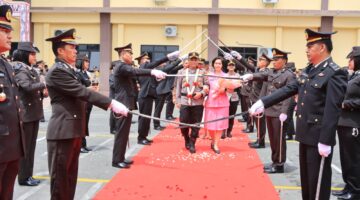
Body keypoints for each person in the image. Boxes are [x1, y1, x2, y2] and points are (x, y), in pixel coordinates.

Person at [248, 29, 347, 199]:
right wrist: (264, 102)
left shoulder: (334, 72)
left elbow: (332, 109)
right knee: (307, 181)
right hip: (305, 134)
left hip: (318, 138)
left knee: (318, 183)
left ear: (322, 47)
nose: (307, 50)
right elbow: (290, 89)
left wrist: (326, 140)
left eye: (310, 46)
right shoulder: (310, 69)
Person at [45, 28, 128, 200]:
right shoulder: (58, 71)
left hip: (73, 129)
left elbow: (81, 91)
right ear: (60, 50)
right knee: (60, 181)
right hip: (63, 132)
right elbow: (80, 92)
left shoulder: (69, 69)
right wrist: (111, 103)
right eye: (72, 47)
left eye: (76, 47)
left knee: (69, 178)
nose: (76, 51)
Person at [112, 43, 170, 168]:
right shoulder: (121, 66)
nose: (132, 56)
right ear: (123, 54)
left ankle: (121, 157)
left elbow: (138, 72)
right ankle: (117, 160)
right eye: (130, 53)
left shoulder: (125, 66)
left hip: (127, 103)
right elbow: (136, 71)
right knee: (121, 134)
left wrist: (154, 70)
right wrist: (152, 72)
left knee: (124, 133)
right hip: (122, 103)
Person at [0, 5, 27, 199]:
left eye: (10, 31)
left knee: (7, 193)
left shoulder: (6, 65)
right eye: (4, 31)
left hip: (11, 146)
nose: (10, 36)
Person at [12, 42, 45, 187]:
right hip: (26, 114)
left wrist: (42, 92)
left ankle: (28, 175)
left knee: (31, 148)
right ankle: (24, 177)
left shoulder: (29, 69)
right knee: (26, 149)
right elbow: (26, 87)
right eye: (32, 54)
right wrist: (44, 84)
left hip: (33, 113)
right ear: (24, 55)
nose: (34, 57)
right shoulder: (20, 69)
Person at [333, 46, 360, 200]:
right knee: (345, 157)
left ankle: (356, 190)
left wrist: (347, 104)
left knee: (354, 158)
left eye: (351, 59)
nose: (349, 62)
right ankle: (348, 185)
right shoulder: (352, 75)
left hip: (354, 122)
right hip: (344, 122)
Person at [230, 51, 272, 148]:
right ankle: (258, 139)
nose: (259, 61)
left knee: (260, 123)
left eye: (261, 60)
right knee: (257, 122)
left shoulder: (267, 72)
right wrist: (239, 57)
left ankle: (261, 142)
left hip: (260, 101)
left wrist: (251, 76)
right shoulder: (258, 69)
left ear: (266, 62)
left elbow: (258, 76)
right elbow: (248, 66)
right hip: (254, 98)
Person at [136, 51, 179, 145]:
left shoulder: (147, 70)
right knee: (144, 118)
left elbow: (165, 70)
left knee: (147, 118)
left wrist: (179, 61)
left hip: (149, 95)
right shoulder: (143, 67)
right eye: (145, 59)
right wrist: (168, 57)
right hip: (144, 96)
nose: (148, 61)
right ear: (140, 61)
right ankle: (141, 138)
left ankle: (144, 136)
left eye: (148, 59)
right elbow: (156, 63)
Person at [204, 57, 240, 153]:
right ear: (213, 64)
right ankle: (213, 140)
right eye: (216, 63)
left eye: (219, 63)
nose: (218, 65)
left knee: (220, 124)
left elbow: (231, 90)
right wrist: (205, 88)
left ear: (222, 65)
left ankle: (216, 144)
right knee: (211, 124)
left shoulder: (226, 75)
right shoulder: (208, 75)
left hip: (223, 102)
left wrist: (226, 88)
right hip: (211, 101)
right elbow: (205, 85)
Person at [175, 52, 207, 153]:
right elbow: (178, 87)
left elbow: (207, 86)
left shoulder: (203, 72)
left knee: (196, 124)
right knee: (183, 123)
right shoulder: (181, 72)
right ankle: (186, 139)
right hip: (184, 100)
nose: (193, 61)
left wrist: (201, 94)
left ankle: (193, 142)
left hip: (197, 102)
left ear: (198, 61)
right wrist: (177, 100)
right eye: (191, 59)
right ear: (188, 61)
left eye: (195, 59)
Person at [75, 54, 96, 153]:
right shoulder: (78, 74)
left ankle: (83, 144)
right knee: (81, 124)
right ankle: (80, 145)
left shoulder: (85, 73)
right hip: (82, 102)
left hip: (88, 102)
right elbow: (78, 88)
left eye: (88, 61)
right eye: (86, 61)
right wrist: (88, 88)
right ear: (80, 62)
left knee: (85, 124)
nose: (88, 63)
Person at [222, 60, 241, 139]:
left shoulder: (237, 75)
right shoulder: (224, 75)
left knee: (231, 115)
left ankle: (229, 131)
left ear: (235, 67)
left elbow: (239, 85)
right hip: (225, 96)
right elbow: (222, 85)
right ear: (227, 67)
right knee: (224, 115)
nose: (231, 67)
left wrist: (234, 87)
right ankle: (223, 131)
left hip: (234, 96)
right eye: (229, 65)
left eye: (232, 65)